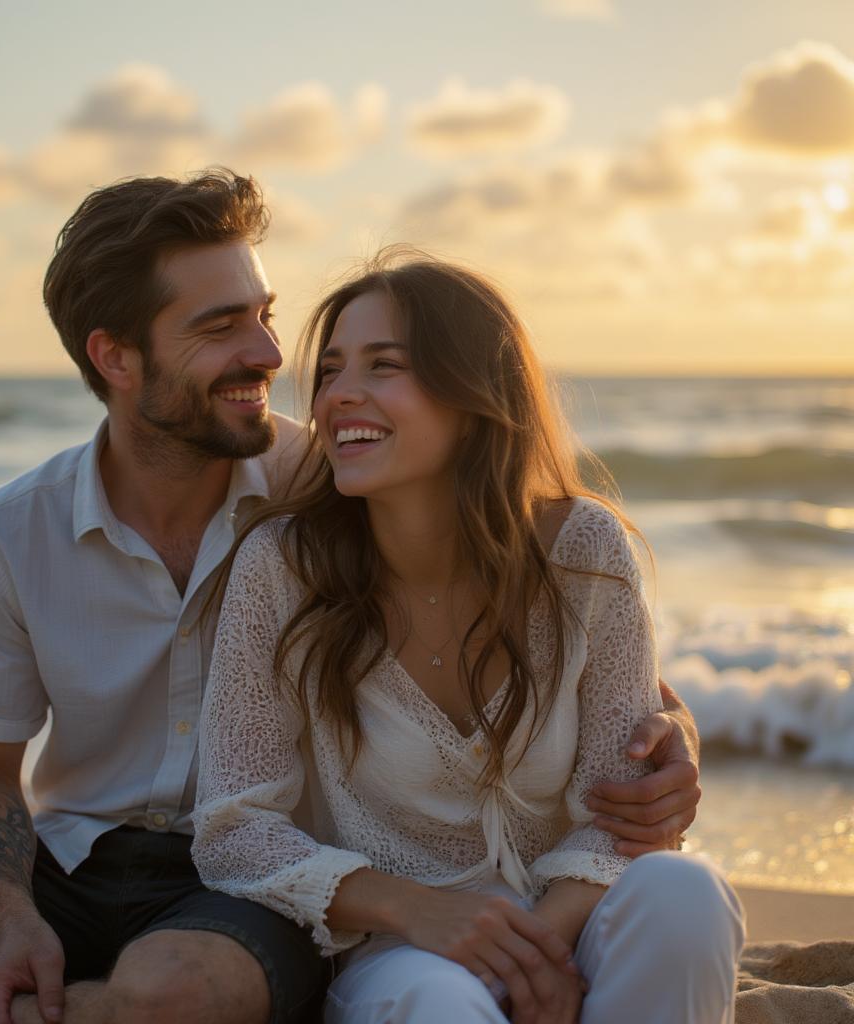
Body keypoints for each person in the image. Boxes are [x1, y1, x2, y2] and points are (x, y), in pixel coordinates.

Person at [0, 174, 699, 1024]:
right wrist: (10, 919)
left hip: (247, 887)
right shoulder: (15, 532)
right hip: (72, 858)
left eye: (265, 315)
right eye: (221, 326)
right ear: (116, 357)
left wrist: (671, 739)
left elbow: (562, 643)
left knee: (172, 990)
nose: (270, 356)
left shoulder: (333, 485)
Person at [192, 251, 744, 1024]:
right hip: (397, 950)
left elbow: (620, 815)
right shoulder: (284, 567)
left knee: (688, 896)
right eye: (331, 370)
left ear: (476, 394)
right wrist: (421, 912)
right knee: (438, 1003)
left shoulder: (585, 551)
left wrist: (528, 945)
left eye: (384, 366)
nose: (339, 394)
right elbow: (233, 829)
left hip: (573, 918)